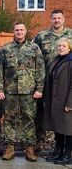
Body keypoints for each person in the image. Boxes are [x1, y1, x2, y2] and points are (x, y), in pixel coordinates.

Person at [0, 22, 45, 161]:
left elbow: (40, 70)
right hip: (10, 91)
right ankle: (9, 148)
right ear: (13, 31)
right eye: (17, 30)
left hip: (29, 92)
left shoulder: (34, 48)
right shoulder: (5, 49)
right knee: (9, 119)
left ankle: (29, 149)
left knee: (29, 120)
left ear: (25, 31)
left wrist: (39, 89)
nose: (19, 32)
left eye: (21, 29)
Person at [34, 9, 72, 152]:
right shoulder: (41, 36)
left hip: (65, 82)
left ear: (64, 19)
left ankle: (65, 150)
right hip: (45, 82)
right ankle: (39, 141)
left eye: (59, 18)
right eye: (54, 18)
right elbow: (34, 56)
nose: (56, 20)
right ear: (51, 20)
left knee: (65, 115)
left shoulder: (70, 35)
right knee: (41, 113)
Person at [43, 38, 72, 165]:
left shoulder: (70, 61)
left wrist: (70, 103)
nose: (61, 48)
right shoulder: (56, 60)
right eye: (59, 46)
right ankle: (59, 152)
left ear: (69, 48)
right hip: (55, 101)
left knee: (68, 129)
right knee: (58, 128)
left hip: (66, 102)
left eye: (64, 46)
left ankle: (67, 155)